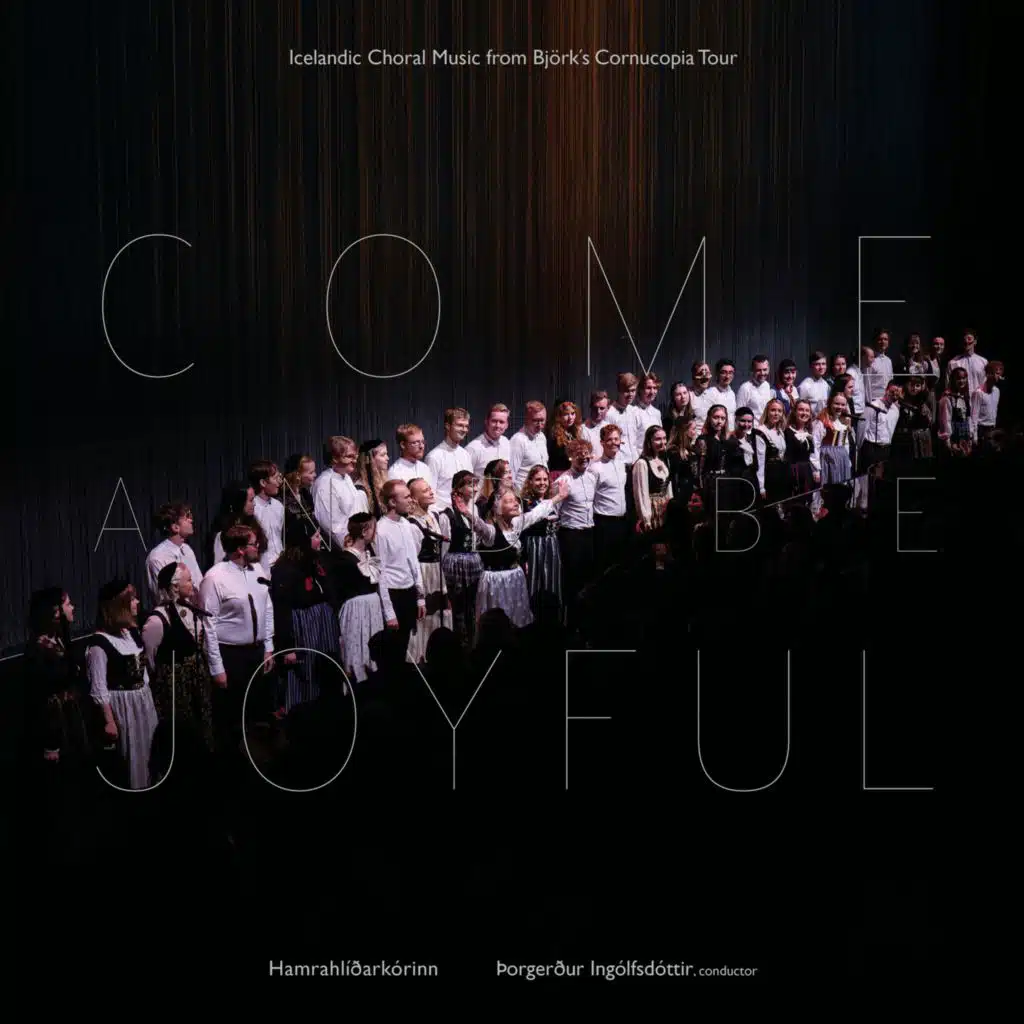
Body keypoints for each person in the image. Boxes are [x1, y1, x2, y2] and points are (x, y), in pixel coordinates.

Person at [199, 524, 276, 744]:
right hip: (231, 656)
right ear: (240, 549)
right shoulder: (215, 577)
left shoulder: (257, 570)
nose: (258, 546)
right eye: (253, 543)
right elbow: (209, 626)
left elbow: (267, 608)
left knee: (257, 716)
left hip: (257, 653)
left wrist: (268, 646)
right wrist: (217, 668)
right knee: (232, 719)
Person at [85, 580, 158, 789]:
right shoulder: (99, 644)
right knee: (131, 757)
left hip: (143, 702)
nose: (137, 603)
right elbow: (99, 687)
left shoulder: (131, 633)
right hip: (123, 707)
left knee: (149, 751)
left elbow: (143, 672)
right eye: (132, 599)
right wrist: (109, 721)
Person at [469, 480, 568, 629]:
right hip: (497, 583)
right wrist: (467, 513)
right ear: (497, 508)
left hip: (515, 579)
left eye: (516, 500)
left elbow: (536, 513)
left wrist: (558, 497)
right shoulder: (491, 531)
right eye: (510, 501)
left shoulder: (515, 524)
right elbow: (480, 527)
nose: (516, 504)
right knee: (499, 623)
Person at [141, 561, 215, 753]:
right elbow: (150, 659)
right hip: (175, 684)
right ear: (175, 586)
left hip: (197, 679)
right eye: (188, 580)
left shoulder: (192, 611)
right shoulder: (157, 620)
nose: (193, 584)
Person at [270, 522, 340, 711]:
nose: (320, 541)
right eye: (315, 537)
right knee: (305, 677)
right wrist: (288, 647)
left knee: (326, 673)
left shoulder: (316, 562)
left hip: (323, 626)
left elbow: (329, 592)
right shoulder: (284, 570)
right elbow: (281, 610)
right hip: (304, 628)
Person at [375, 480, 426, 666]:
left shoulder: (405, 524)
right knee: (392, 652)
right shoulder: (381, 530)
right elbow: (381, 573)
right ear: (392, 502)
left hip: (409, 593)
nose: (411, 500)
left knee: (404, 647)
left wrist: (420, 597)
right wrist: (389, 613)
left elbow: (413, 562)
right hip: (393, 594)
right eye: (406, 497)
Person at [406, 478, 453, 663]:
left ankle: (440, 653)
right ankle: (422, 655)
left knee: (440, 612)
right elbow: (413, 558)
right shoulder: (412, 525)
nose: (431, 492)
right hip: (424, 572)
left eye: (430, 488)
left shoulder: (433, 516)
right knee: (426, 615)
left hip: (436, 571)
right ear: (414, 498)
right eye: (425, 491)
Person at [336, 513, 386, 683]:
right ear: (364, 532)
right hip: (357, 612)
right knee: (357, 648)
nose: (375, 533)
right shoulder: (345, 559)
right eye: (373, 529)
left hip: (372, 610)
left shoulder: (369, 555)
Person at [439, 471, 485, 649]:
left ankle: (474, 645)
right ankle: (460, 647)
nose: (475, 489)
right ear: (458, 488)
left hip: (473, 563)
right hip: (456, 567)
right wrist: (444, 583)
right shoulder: (448, 514)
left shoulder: (475, 510)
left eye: (476, 485)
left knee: (472, 608)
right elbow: (444, 551)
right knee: (458, 610)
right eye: (470, 485)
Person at [518, 465, 563, 624]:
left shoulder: (552, 501)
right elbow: (522, 532)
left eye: (545, 479)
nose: (542, 483)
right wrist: (524, 559)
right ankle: (533, 624)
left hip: (552, 548)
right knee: (534, 585)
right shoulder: (525, 503)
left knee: (552, 584)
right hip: (534, 548)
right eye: (538, 479)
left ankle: (553, 623)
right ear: (530, 481)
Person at [312, 435, 367, 552]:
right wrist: (352, 549)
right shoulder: (325, 483)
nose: (355, 460)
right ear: (335, 458)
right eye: (349, 456)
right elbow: (332, 526)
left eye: (355, 456)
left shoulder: (345, 477)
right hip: (342, 550)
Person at [145, 502, 204, 607]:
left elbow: (199, 584)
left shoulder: (187, 550)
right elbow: (166, 596)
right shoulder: (157, 557)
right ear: (175, 527)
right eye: (186, 517)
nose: (191, 520)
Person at [425, 408, 473, 509]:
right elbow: (430, 493)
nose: (464, 430)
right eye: (460, 425)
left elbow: (470, 487)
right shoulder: (434, 457)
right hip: (443, 513)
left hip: (465, 512)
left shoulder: (466, 455)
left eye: (466, 426)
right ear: (447, 426)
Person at [632, 425, 673, 533]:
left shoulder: (664, 460)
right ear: (649, 442)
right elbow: (641, 493)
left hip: (665, 511)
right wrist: (646, 519)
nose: (662, 442)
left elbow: (668, 488)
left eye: (664, 438)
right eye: (658, 439)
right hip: (652, 510)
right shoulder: (642, 463)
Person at [249, 459, 285, 567]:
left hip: (280, 563)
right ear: (263, 482)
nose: (279, 482)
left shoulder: (278, 506)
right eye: (275, 478)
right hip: (263, 566)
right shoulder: (253, 508)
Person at [508, 401, 549, 490]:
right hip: (523, 495)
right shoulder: (518, 440)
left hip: (541, 493)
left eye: (542, 420)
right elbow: (511, 475)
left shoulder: (542, 437)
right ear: (526, 419)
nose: (539, 425)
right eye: (535, 420)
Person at [387, 423, 437, 495]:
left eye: (423, 442)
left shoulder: (425, 468)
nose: (421, 446)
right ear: (403, 445)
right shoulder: (395, 473)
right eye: (415, 443)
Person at [466, 403, 512, 477]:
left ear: (506, 425)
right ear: (486, 422)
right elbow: (465, 479)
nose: (497, 425)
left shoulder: (506, 443)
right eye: (494, 421)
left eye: (501, 422)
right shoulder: (473, 448)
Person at [546, 400, 583, 482]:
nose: (570, 417)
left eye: (572, 413)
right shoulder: (553, 434)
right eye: (566, 414)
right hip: (558, 475)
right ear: (559, 416)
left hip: (572, 474)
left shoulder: (574, 432)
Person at [971, 360, 1004, 449]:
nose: (999, 376)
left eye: (1000, 373)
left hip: (991, 428)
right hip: (981, 428)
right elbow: (974, 415)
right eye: (996, 373)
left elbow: (994, 410)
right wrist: (974, 436)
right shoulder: (978, 393)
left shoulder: (997, 391)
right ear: (988, 374)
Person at [354, 440, 389, 520]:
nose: (387, 458)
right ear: (370, 459)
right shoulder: (360, 491)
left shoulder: (382, 482)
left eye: (386, 454)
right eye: (383, 455)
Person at [946, 329, 988, 393]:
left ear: (975, 342)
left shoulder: (983, 362)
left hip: (978, 398)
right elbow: (948, 385)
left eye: (969, 339)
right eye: (964, 339)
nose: (966, 341)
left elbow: (986, 384)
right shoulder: (953, 362)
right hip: (960, 398)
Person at [735, 356, 772, 423]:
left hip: (765, 427)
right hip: (751, 428)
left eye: (765, 370)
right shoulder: (745, 388)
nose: (762, 373)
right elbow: (738, 414)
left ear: (769, 369)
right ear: (752, 370)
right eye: (758, 370)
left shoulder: (767, 385)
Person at [798, 351, 830, 417]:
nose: (821, 367)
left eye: (823, 364)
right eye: (817, 364)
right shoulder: (805, 386)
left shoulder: (826, 385)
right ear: (811, 366)